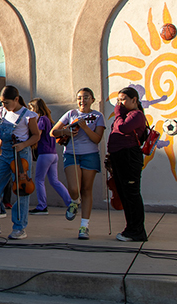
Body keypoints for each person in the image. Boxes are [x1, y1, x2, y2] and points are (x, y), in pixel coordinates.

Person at [0, 86, 39, 240]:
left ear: (16, 100)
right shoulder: (3, 112)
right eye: (2, 102)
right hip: (5, 154)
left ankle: (20, 227)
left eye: (6, 102)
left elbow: (36, 136)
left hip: (20, 155)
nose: (3, 105)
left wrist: (23, 145)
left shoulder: (28, 115)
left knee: (21, 190)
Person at [51, 87, 106, 240]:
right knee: (74, 188)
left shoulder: (98, 116)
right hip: (72, 154)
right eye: (80, 98)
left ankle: (84, 226)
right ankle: (74, 201)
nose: (83, 100)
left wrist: (84, 127)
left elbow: (97, 139)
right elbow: (53, 132)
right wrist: (65, 132)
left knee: (86, 190)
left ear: (93, 100)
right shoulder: (71, 114)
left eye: (86, 97)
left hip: (90, 155)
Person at [107, 86, 149, 242]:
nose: (120, 103)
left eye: (123, 99)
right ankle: (130, 228)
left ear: (134, 100)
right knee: (124, 194)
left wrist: (118, 113)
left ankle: (137, 230)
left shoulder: (136, 115)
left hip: (129, 157)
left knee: (131, 194)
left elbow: (123, 128)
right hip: (119, 157)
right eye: (118, 100)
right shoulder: (123, 115)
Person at [29, 98, 71, 215]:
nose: (31, 111)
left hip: (44, 153)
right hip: (53, 154)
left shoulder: (41, 119)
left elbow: (37, 134)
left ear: (36, 108)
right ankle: (70, 203)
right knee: (54, 181)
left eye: (32, 108)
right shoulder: (49, 120)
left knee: (39, 179)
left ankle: (42, 206)